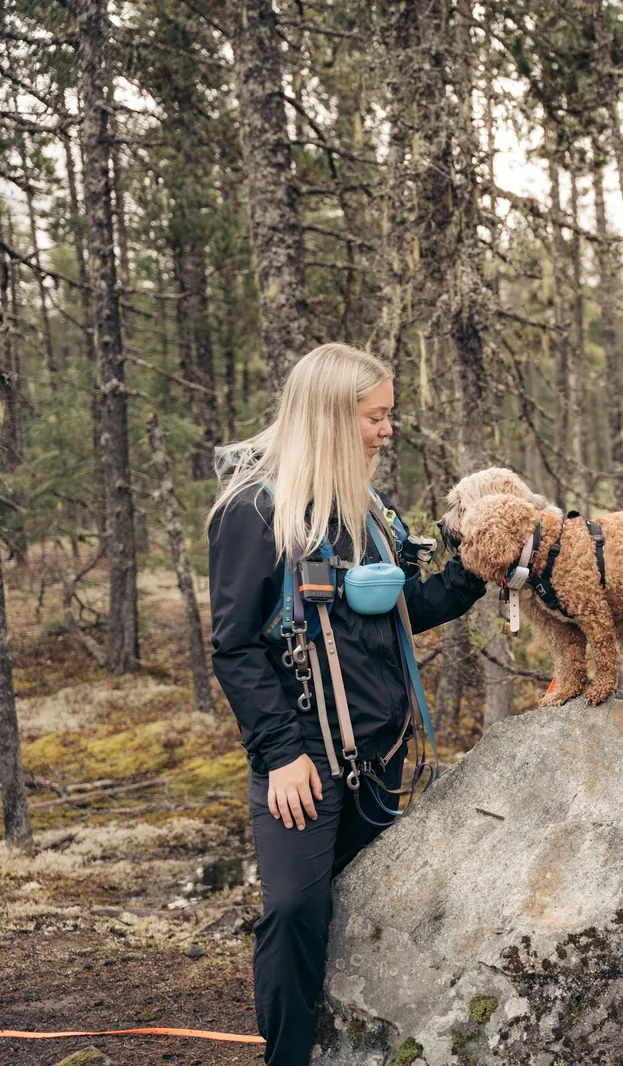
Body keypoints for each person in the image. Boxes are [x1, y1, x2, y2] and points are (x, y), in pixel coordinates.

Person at [207, 343, 488, 1066]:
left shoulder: (370, 510)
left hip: (380, 757)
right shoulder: (254, 512)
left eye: (388, 416)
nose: (387, 430)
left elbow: (401, 613)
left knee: (364, 911)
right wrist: (281, 756)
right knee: (297, 910)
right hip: (302, 759)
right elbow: (235, 647)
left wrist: (471, 574)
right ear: (333, 417)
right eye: (376, 417)